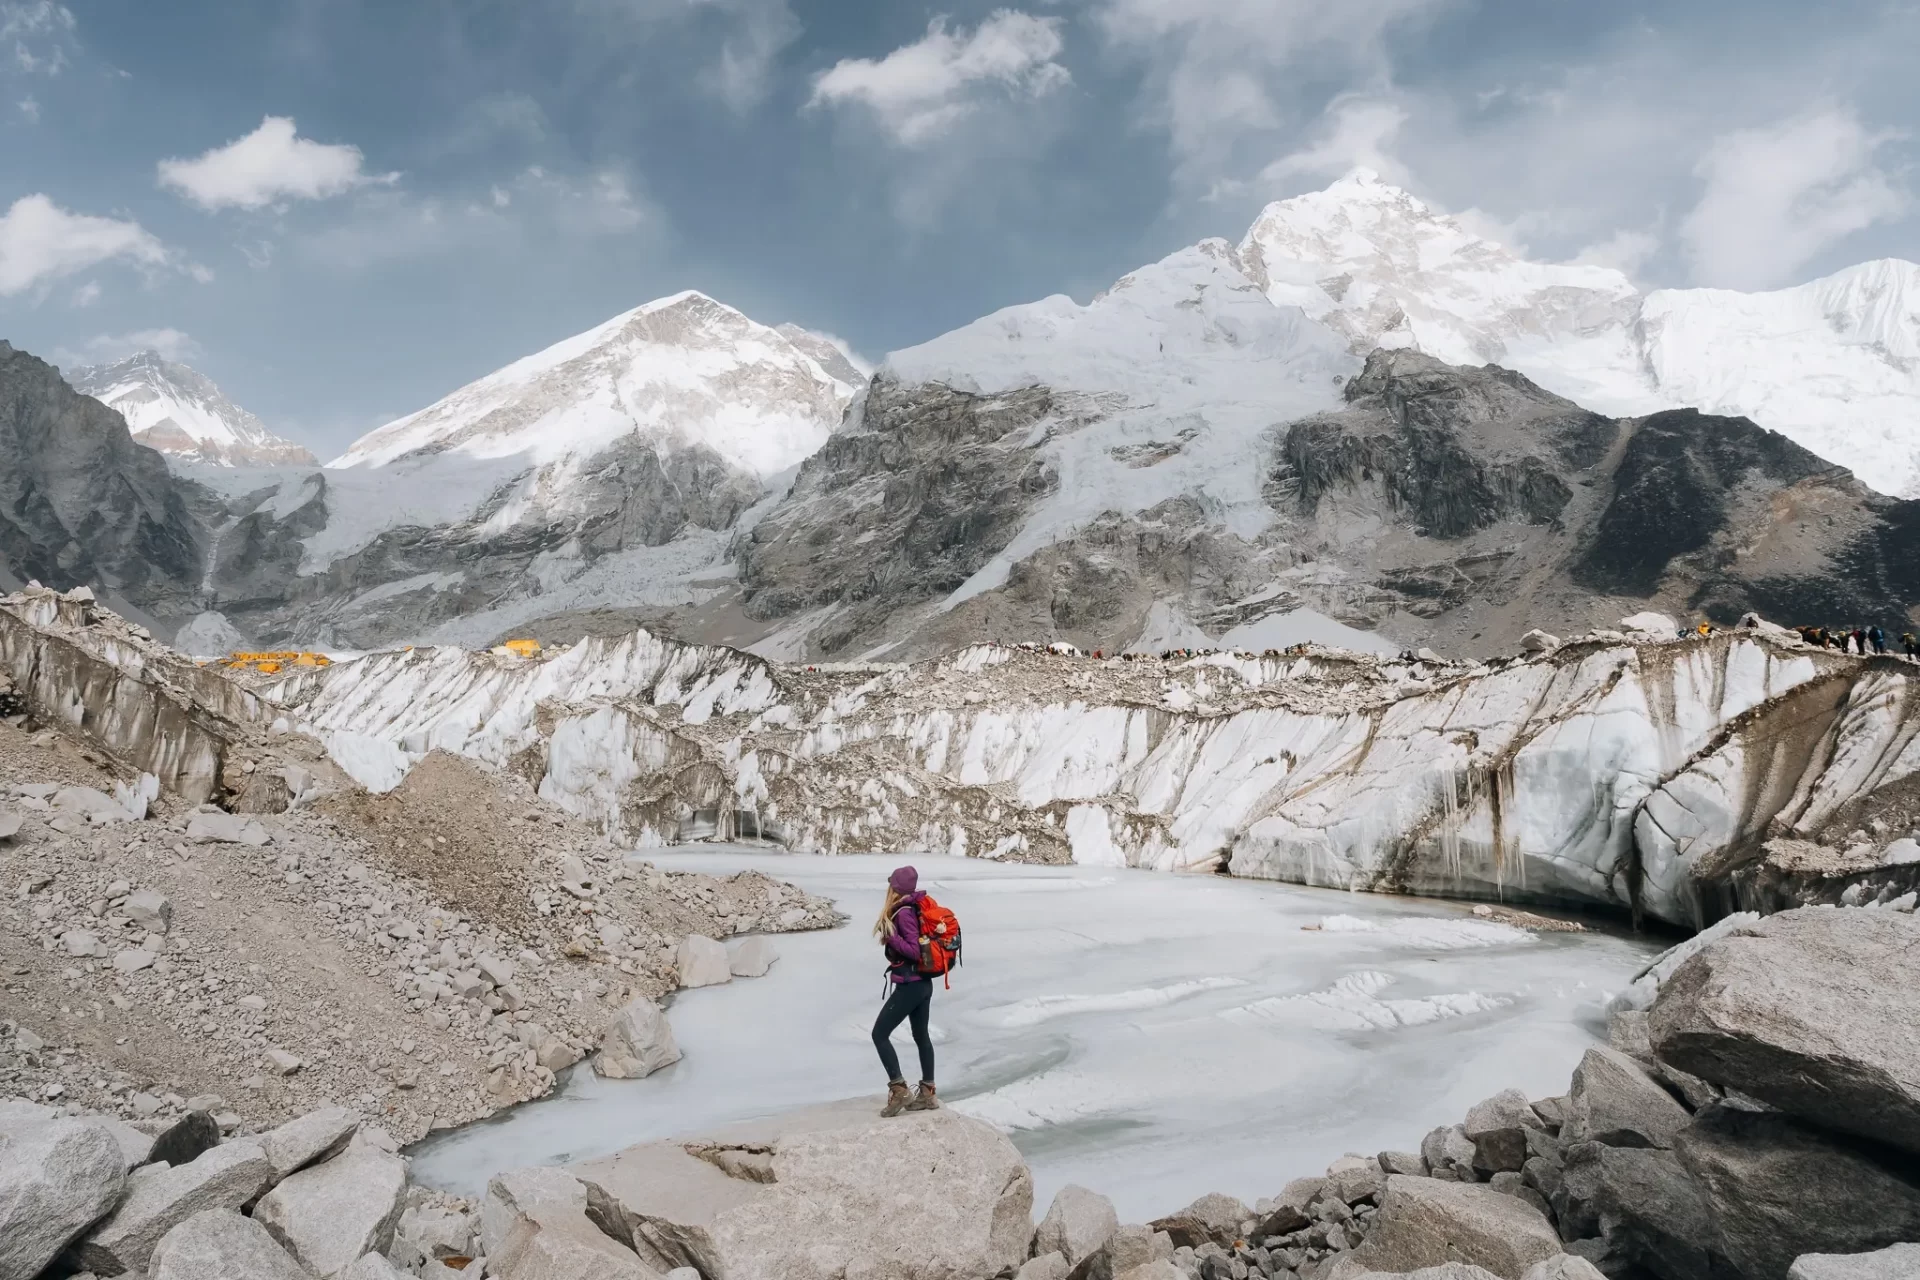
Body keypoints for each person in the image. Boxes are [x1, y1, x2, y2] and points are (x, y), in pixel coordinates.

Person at [872, 865, 938, 1117]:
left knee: (879, 1034)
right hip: (923, 984)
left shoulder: (903, 913)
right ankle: (928, 1093)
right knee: (921, 1036)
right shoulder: (915, 908)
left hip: (911, 985)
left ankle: (899, 1089)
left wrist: (890, 935)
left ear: (895, 888)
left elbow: (913, 950)